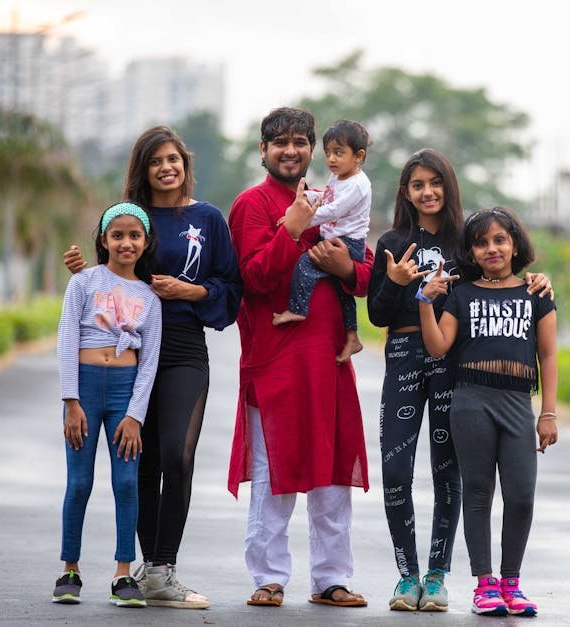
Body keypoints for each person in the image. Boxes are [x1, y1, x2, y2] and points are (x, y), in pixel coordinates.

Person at [63, 126, 242, 609]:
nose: (166, 167)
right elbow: (110, 276)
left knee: (178, 455)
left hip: (184, 348)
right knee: (139, 458)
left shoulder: (207, 219)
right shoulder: (131, 217)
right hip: (133, 352)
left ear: (185, 163)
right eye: (155, 161)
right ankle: (145, 573)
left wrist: (191, 291)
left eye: (173, 159)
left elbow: (231, 289)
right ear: (142, 170)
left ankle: (163, 568)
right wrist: (83, 274)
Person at [367, 149, 553, 612]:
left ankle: (437, 576)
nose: (427, 192)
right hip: (404, 354)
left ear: (448, 186)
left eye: (435, 182)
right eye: (417, 184)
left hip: (453, 366)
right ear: (406, 193)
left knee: (450, 474)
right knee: (395, 470)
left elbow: (498, 279)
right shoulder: (393, 239)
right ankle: (405, 576)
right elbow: (376, 314)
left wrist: (538, 281)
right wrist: (393, 281)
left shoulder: (466, 242)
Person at [226, 107, 372, 608]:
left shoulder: (332, 196)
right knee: (273, 476)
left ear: (313, 149)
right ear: (262, 151)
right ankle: (268, 577)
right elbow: (253, 281)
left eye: (300, 142)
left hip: (330, 364)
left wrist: (346, 265)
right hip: (275, 365)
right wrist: (289, 230)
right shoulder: (251, 205)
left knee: (332, 476)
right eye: (279, 142)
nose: (291, 150)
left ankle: (331, 579)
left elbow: (368, 276)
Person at [417, 206, 558, 617]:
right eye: (481, 243)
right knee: (478, 495)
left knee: (521, 496)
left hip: (517, 404)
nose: (491, 248)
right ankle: (485, 585)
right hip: (470, 401)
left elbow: (547, 355)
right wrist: (425, 302)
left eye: (500, 240)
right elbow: (439, 346)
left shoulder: (536, 293)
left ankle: (512, 582)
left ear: (515, 245)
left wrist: (548, 412)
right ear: (472, 251)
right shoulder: (462, 294)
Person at [53, 202, 162, 608]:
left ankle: (122, 573)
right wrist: (70, 401)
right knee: (79, 482)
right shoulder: (83, 282)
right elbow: (67, 340)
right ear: (103, 240)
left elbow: (149, 358)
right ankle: (70, 569)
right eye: (117, 235)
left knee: (127, 482)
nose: (126, 242)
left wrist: (135, 415)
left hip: (123, 392)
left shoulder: (150, 296)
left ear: (145, 241)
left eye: (134, 235)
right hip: (83, 391)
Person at [272, 119, 372, 364]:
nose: (332, 159)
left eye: (339, 153)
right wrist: (308, 194)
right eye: (328, 153)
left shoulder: (358, 185)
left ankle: (297, 309)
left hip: (349, 243)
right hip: (338, 239)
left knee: (306, 266)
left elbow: (334, 210)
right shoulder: (338, 177)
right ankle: (352, 337)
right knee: (342, 293)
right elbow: (327, 197)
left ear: (358, 155)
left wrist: (301, 219)